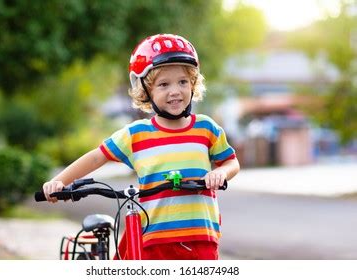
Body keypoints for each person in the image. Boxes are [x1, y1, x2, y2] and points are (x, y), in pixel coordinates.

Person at [42, 34, 240, 260]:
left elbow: (231, 162)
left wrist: (220, 173)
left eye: (183, 82)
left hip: (200, 238)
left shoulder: (206, 128)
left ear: (193, 84)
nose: (175, 91)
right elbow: (97, 157)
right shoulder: (136, 134)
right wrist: (60, 181)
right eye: (164, 84)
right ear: (146, 91)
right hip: (153, 240)